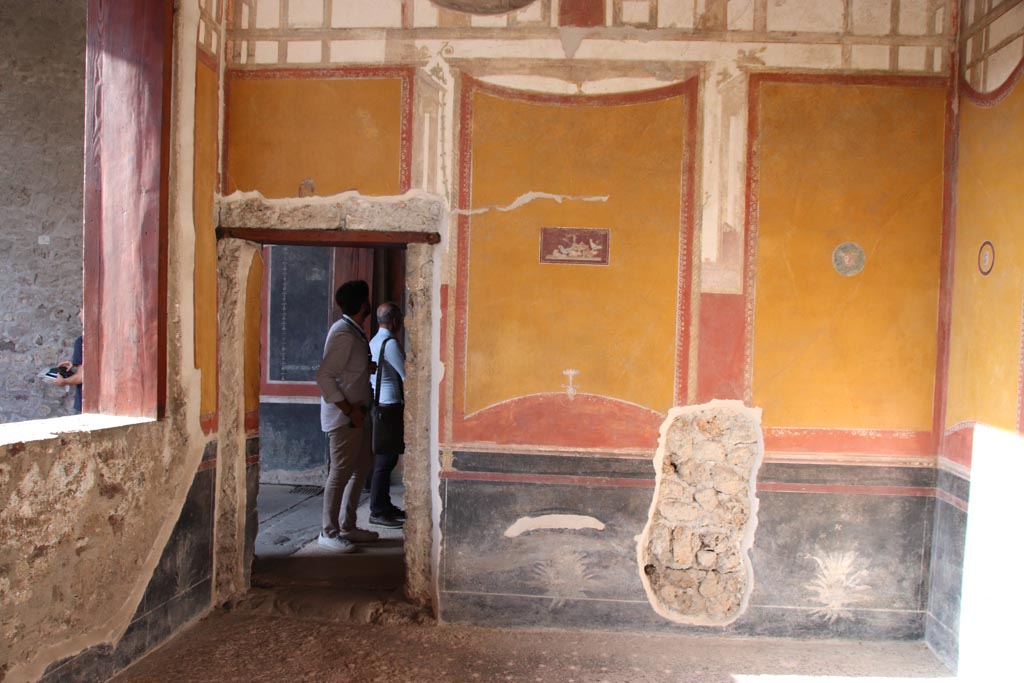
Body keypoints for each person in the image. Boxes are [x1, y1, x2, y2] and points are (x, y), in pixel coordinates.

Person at [315, 280, 380, 553]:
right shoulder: (343, 333)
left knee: (362, 468)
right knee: (340, 473)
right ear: (363, 304)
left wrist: (364, 367)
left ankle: (347, 526)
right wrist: (349, 410)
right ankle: (328, 532)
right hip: (345, 418)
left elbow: (345, 371)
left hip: (359, 415)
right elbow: (325, 376)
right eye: (367, 300)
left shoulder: (352, 331)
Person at [368, 302, 406, 528]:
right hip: (390, 405)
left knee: (386, 458)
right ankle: (378, 510)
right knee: (385, 460)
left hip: (381, 403)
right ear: (394, 321)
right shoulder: (390, 343)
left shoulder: (374, 340)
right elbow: (405, 373)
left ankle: (384, 504)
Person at [54, 310, 84, 413]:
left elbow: (83, 376)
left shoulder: (82, 341)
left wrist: (64, 381)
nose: (79, 314)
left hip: (85, 403)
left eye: (81, 310)